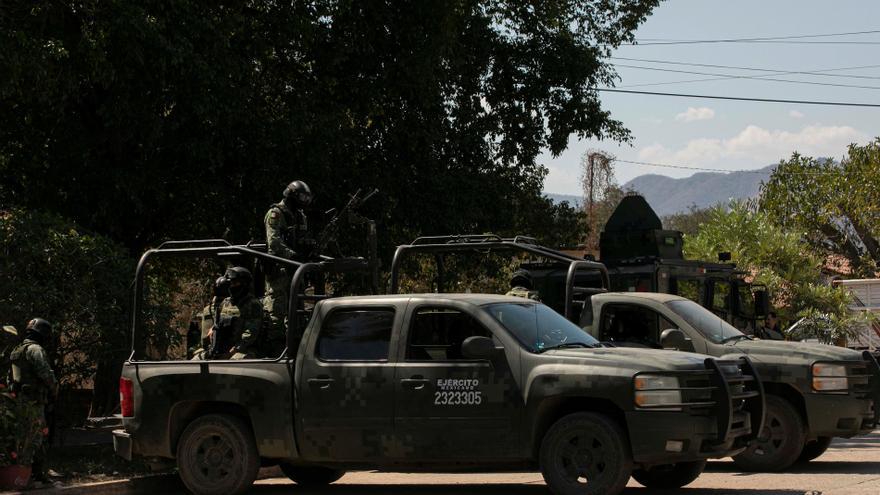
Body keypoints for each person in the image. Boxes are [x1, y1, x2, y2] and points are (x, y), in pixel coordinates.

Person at [263, 180, 315, 349]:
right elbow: (274, 242)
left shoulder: (300, 216)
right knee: (277, 312)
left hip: (296, 270)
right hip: (281, 269)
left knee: (298, 311)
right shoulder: (276, 213)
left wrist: (309, 247)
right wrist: (293, 256)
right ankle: (274, 350)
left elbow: (302, 238)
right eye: (301, 197)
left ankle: (295, 346)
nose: (304, 201)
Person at [10, 318, 57, 484]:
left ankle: (36, 473)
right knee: (35, 438)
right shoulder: (35, 350)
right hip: (34, 401)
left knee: (25, 437)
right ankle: (27, 476)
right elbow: (46, 374)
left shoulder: (17, 350)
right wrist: (54, 390)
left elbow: (13, 379)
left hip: (21, 401)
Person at [193, 267, 263, 360]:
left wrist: (232, 352)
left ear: (244, 284)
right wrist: (212, 330)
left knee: (235, 362)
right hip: (221, 349)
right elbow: (218, 324)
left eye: (235, 283)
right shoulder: (225, 303)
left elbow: (249, 335)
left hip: (243, 350)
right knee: (196, 361)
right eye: (230, 283)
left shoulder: (253, 304)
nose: (232, 286)